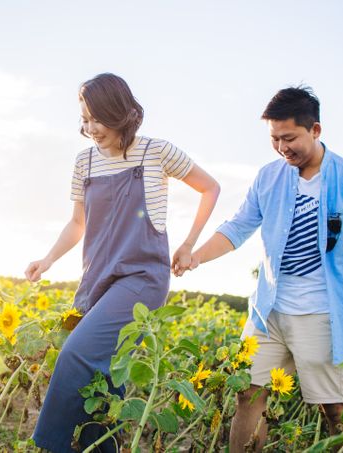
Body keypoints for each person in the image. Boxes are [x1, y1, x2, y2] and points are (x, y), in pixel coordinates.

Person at [181, 86, 343, 452]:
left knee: (337, 408)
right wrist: (195, 255)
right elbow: (238, 226)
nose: (282, 147)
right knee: (247, 394)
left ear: (316, 130)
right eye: (275, 139)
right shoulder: (269, 177)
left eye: (289, 138)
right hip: (269, 311)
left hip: (323, 313)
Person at [25, 73, 220, 452]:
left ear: (119, 112)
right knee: (102, 380)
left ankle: (50, 446)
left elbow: (210, 187)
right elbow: (78, 223)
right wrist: (47, 260)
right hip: (97, 276)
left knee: (75, 355)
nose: (89, 128)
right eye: (83, 119)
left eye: (96, 118)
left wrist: (188, 244)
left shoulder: (156, 152)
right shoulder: (84, 162)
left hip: (143, 277)